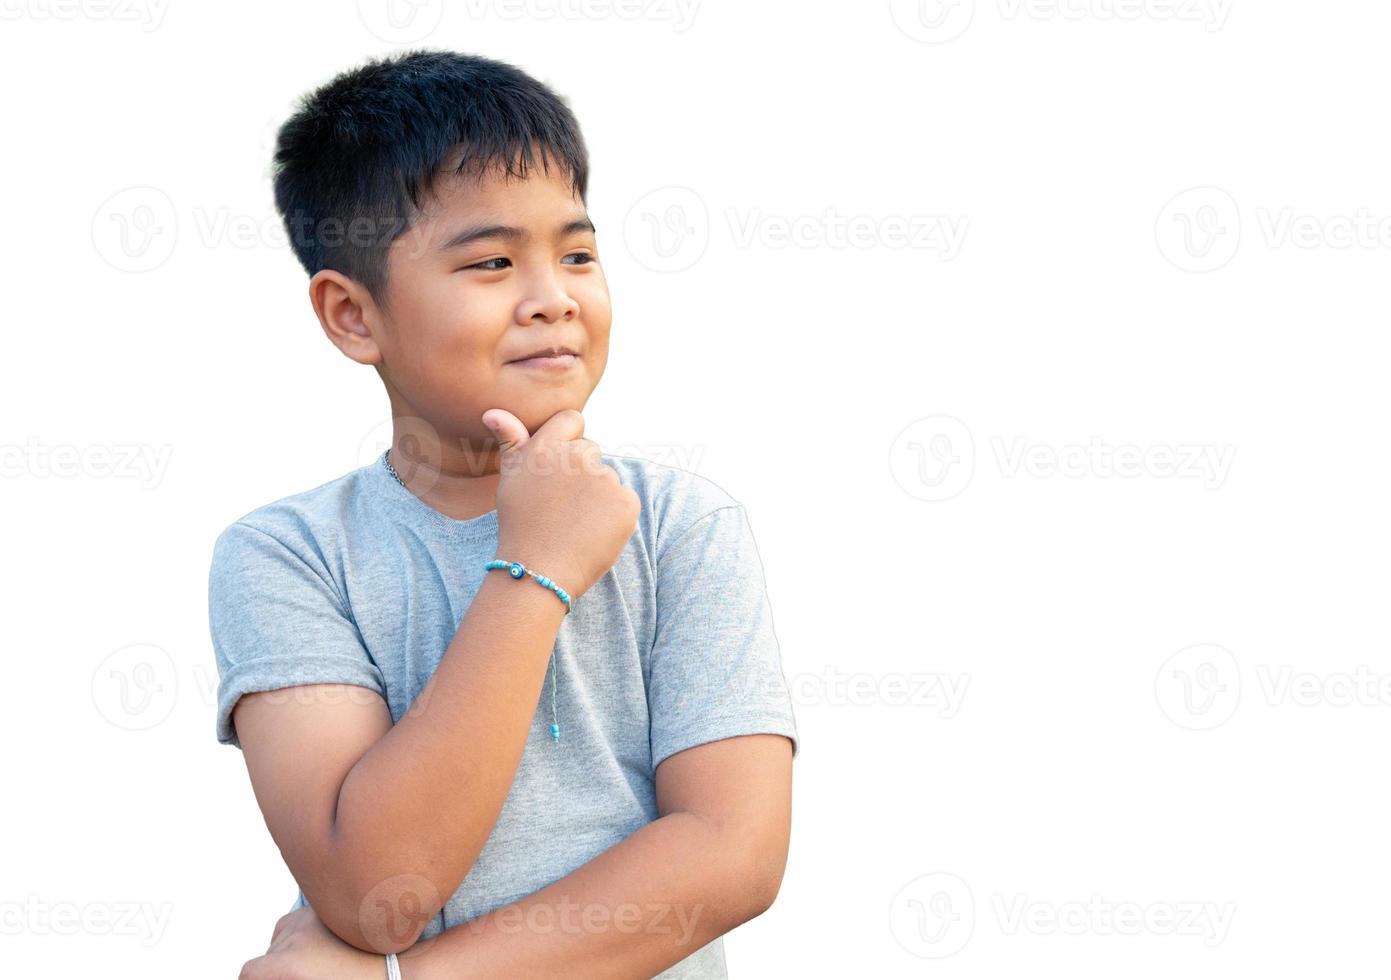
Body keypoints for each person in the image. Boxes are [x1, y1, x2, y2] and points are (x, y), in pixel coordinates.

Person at [208, 48, 799, 979]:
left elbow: (733, 852)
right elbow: (376, 889)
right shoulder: (290, 557)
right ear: (353, 316)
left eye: (577, 253)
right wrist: (538, 569)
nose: (553, 298)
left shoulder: (683, 525)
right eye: (491, 261)